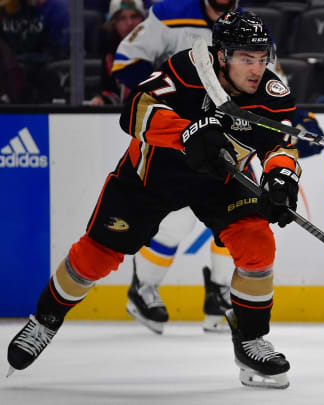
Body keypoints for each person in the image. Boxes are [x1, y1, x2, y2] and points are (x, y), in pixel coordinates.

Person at [7, 10, 298, 389]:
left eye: (262, 58)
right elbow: (134, 112)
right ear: (222, 56)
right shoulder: (187, 69)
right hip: (152, 177)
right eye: (246, 58)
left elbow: (281, 143)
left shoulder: (272, 93)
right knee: (96, 256)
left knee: (257, 243)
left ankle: (251, 339)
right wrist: (187, 132)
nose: (257, 68)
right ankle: (44, 320)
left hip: (221, 180)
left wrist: (281, 176)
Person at [111, 0, 324, 334]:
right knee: (176, 221)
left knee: (243, 215)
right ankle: (144, 287)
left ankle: (220, 292)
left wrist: (295, 123)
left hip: (232, 139)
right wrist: (180, 100)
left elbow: (268, 87)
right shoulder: (170, 12)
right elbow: (126, 62)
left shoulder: (250, 29)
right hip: (179, 138)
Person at [89, 0, 146, 106]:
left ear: (143, 21)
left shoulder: (156, 51)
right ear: (113, 23)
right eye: (122, 18)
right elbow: (110, 90)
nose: (130, 23)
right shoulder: (110, 52)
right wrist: (101, 99)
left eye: (134, 17)